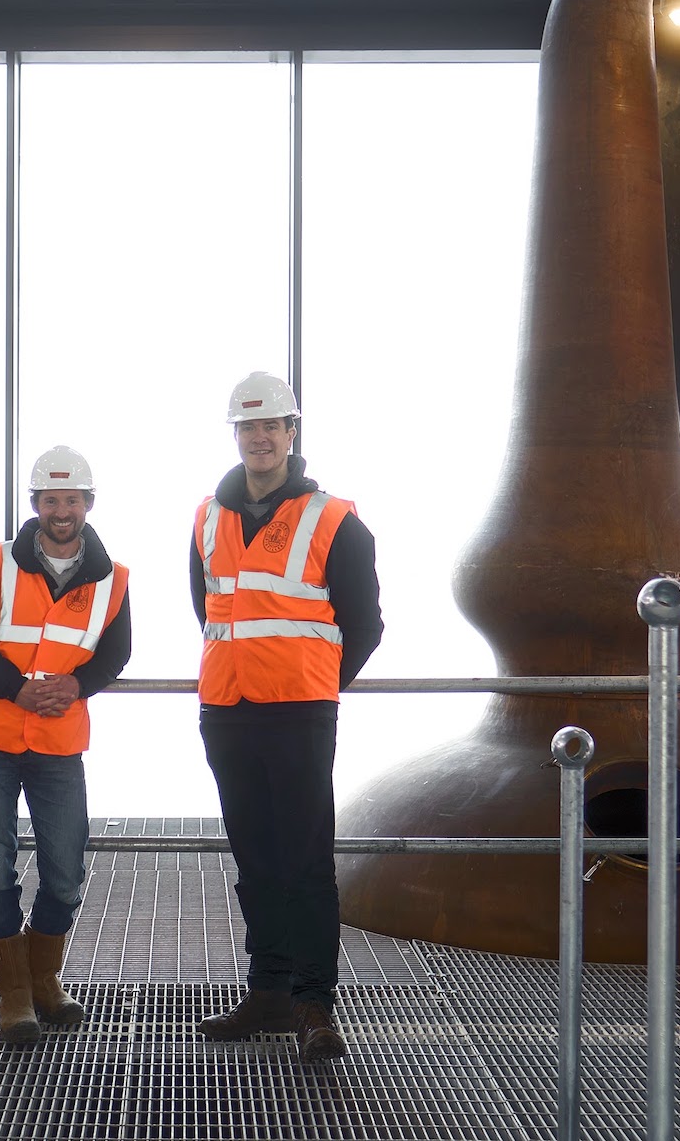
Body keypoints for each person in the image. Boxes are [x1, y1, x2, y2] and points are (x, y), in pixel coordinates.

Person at [190, 372, 382, 1062]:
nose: (260, 437)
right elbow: (209, 609)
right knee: (256, 861)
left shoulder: (334, 520)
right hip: (229, 713)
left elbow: (364, 623)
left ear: (292, 433)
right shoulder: (208, 517)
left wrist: (317, 684)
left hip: (300, 714)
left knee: (305, 863)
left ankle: (315, 1005)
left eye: (272, 425)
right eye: (248, 427)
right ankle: (268, 991)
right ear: (236, 435)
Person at [0, 445, 131, 1046]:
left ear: (88, 505)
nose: (62, 511)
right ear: (35, 505)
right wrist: (16, 692)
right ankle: (18, 996)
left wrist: (80, 684)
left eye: (71, 500)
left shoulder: (113, 580)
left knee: (65, 872)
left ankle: (43, 978)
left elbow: (116, 652)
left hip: (57, 742)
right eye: (51, 500)